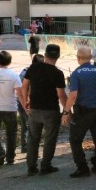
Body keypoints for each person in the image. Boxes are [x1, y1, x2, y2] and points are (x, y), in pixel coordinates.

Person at [62, 46, 96, 177]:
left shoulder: (76, 74)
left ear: (78, 58)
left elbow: (73, 95)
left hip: (83, 113)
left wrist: (66, 112)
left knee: (75, 140)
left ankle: (82, 168)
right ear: (91, 58)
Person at [20, 44, 67, 176]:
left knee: (33, 138)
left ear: (45, 55)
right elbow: (61, 95)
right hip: (51, 111)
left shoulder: (33, 67)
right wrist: (67, 111)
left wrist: (25, 102)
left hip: (34, 109)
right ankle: (45, 166)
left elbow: (24, 86)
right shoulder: (58, 73)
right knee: (49, 139)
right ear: (58, 56)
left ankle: (31, 167)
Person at [0, 51, 21, 166]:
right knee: (11, 134)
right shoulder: (14, 75)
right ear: (10, 61)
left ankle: (0, 153)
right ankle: (10, 158)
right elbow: (19, 93)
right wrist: (25, 104)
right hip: (10, 108)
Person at [17, 54, 44, 154]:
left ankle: (25, 147)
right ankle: (30, 149)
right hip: (27, 102)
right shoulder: (33, 73)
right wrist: (26, 104)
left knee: (25, 125)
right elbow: (23, 89)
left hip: (22, 101)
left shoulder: (24, 71)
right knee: (31, 127)